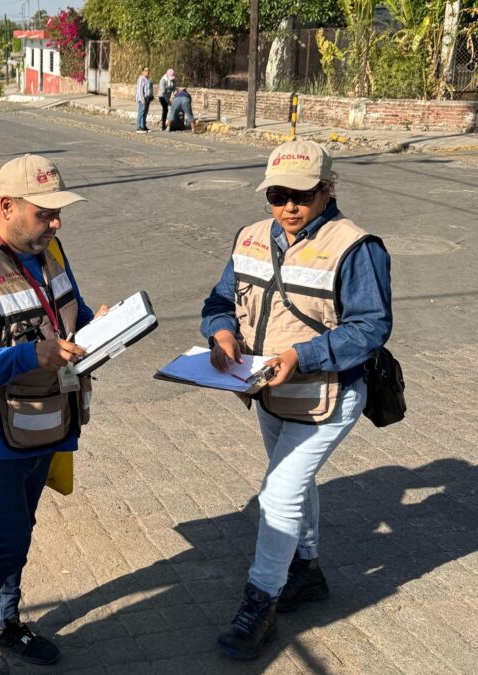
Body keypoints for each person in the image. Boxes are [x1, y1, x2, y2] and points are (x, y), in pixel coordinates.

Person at [201, 140, 392, 660]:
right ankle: (305, 571)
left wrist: (302, 357)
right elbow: (220, 300)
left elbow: (371, 328)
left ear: (327, 190)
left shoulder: (356, 246)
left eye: (303, 195)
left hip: (329, 392)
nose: (289, 207)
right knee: (294, 481)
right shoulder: (250, 237)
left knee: (279, 490)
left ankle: (260, 602)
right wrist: (220, 333)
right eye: (278, 194)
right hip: (269, 391)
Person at [0, 154, 107, 674]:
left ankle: (5, 622)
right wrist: (30, 355)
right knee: (7, 538)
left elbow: (68, 306)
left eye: (59, 212)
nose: (56, 223)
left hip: (48, 421)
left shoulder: (50, 251)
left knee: (21, 531)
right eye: (44, 213)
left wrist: (99, 325)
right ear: (7, 206)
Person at [135, 66, 153, 133]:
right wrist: (142, 100)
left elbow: (149, 89)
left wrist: (150, 96)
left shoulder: (148, 79)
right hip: (142, 98)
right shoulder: (141, 79)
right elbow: (140, 90)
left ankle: (143, 126)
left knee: (145, 113)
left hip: (147, 98)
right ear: (142, 72)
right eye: (145, 70)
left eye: (148, 70)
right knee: (141, 112)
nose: (147, 72)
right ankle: (138, 127)